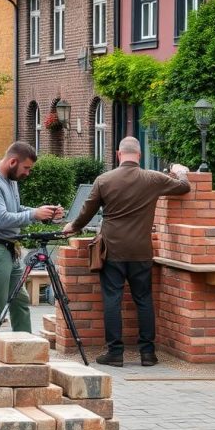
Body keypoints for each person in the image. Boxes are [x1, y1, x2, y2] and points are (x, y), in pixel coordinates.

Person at [63, 137, 191, 368]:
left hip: (112, 250)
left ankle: (115, 353)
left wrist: (72, 226)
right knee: (144, 300)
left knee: (112, 299)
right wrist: (180, 171)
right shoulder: (152, 178)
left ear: (118, 154)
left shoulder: (104, 180)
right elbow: (184, 187)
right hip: (141, 250)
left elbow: (86, 211)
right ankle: (148, 353)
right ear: (139, 156)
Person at [0, 142, 61, 349]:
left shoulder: (9, 180)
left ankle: (26, 349)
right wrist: (33, 215)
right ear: (13, 161)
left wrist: (42, 212)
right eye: (26, 168)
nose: (28, 173)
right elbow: (2, 219)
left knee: (20, 301)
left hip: (8, 248)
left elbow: (16, 209)